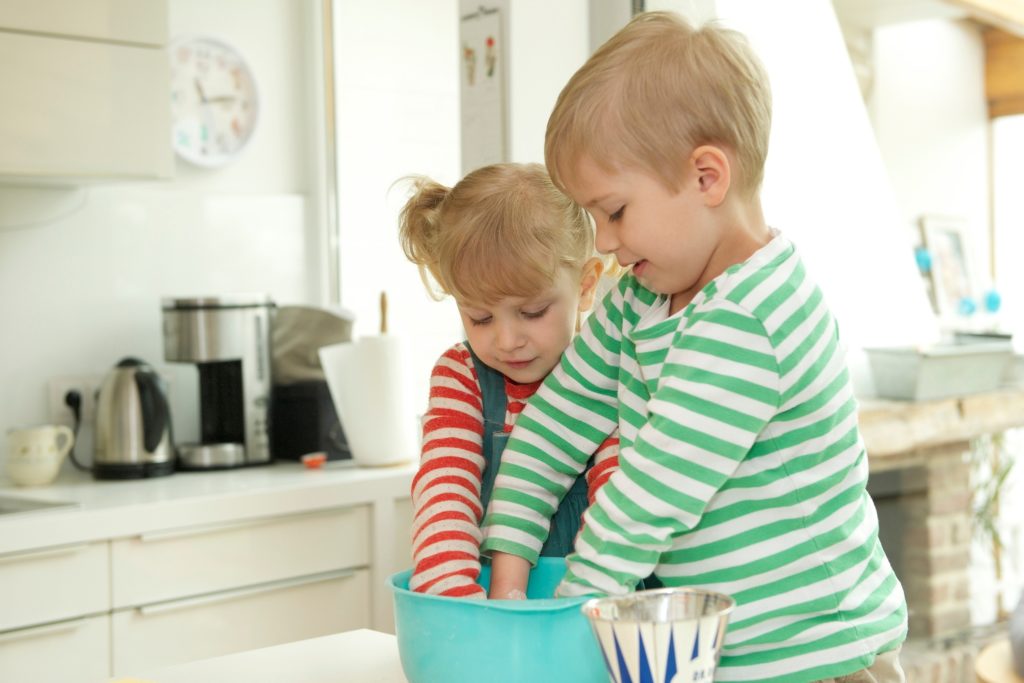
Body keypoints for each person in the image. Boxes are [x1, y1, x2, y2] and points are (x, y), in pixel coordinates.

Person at [480, 11, 908, 681]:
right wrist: (506, 579)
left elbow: (650, 493)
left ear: (707, 177)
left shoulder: (756, 313)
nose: (605, 242)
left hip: (821, 660)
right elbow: (552, 428)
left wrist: (564, 620)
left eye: (615, 211)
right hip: (722, 661)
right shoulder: (636, 303)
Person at [398, 162, 619, 599]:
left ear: (587, 285)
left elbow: (618, 502)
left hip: (592, 603)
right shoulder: (463, 377)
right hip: (489, 603)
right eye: (479, 317)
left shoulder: (608, 372)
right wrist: (456, 605)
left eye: (533, 312)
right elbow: (445, 492)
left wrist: (592, 600)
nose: (506, 340)